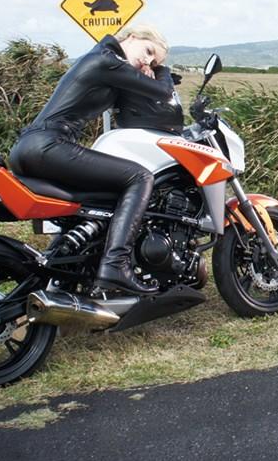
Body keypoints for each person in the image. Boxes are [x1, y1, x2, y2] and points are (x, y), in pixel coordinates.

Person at [9, 23, 178, 294]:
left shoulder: (106, 62)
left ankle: (67, 271)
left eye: (154, 62)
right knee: (140, 177)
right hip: (49, 145)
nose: (148, 62)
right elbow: (163, 92)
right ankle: (115, 265)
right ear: (132, 37)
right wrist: (162, 72)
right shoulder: (106, 59)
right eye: (149, 52)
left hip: (33, 147)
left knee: (98, 200)